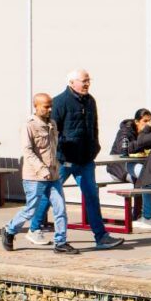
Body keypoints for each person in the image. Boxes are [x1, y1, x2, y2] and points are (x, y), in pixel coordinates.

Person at [50, 70, 130, 251]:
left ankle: (101, 237)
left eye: (88, 81)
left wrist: (95, 146)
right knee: (48, 195)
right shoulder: (60, 102)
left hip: (85, 159)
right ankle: (33, 227)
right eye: (83, 81)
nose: (87, 84)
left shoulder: (90, 100)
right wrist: (62, 149)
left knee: (92, 196)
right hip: (65, 159)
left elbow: (94, 125)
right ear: (72, 82)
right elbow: (53, 131)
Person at [2, 92, 72, 253]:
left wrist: (57, 165)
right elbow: (27, 151)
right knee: (31, 209)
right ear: (36, 106)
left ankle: (61, 242)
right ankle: (10, 229)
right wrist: (41, 169)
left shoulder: (52, 123)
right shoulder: (29, 125)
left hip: (53, 175)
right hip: (34, 177)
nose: (49, 110)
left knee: (60, 208)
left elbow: (53, 149)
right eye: (46, 107)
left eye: (51, 106)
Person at [108, 106, 151, 223]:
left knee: (148, 175)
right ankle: (137, 215)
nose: (148, 124)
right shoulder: (125, 132)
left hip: (137, 166)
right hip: (118, 168)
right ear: (136, 122)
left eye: (150, 121)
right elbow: (123, 149)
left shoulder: (148, 133)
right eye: (145, 121)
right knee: (142, 178)